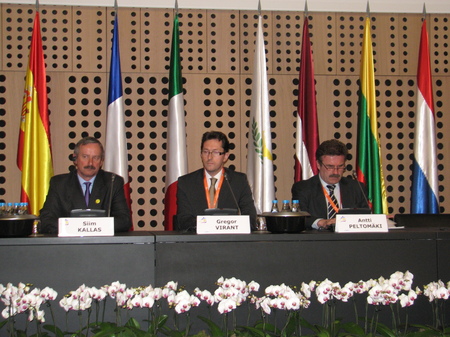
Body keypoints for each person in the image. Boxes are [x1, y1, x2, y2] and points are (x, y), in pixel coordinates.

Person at [39, 136, 132, 234]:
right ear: (75, 159)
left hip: (102, 245)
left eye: (96, 158)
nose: (90, 163)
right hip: (69, 245)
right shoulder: (59, 184)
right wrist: (78, 228)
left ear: (101, 161)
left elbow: (124, 220)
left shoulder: (113, 182)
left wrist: (91, 228)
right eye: (85, 157)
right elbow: (46, 220)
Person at [176, 131, 257, 232]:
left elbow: (251, 218)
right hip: (197, 243)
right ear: (201, 154)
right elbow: (183, 220)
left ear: (225, 156)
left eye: (215, 152)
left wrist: (225, 225)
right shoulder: (186, 182)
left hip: (230, 242)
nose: (209, 157)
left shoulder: (239, 181)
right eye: (205, 152)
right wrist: (210, 225)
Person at [291, 139, 369, 230]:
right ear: (318, 165)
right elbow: (300, 216)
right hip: (318, 241)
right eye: (330, 167)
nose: (335, 172)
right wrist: (321, 222)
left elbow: (366, 216)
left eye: (340, 166)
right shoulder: (303, 188)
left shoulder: (356, 187)